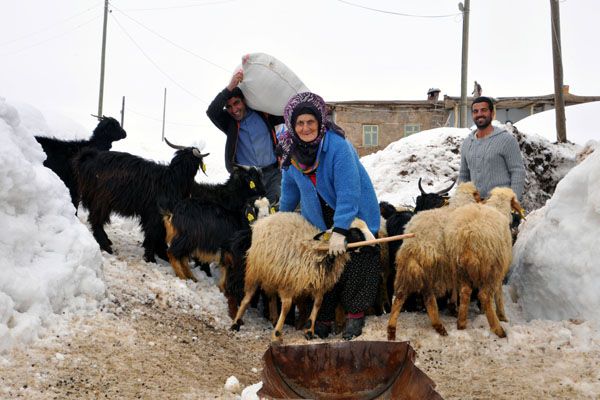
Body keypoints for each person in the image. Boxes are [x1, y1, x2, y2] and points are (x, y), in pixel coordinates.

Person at [277, 91, 381, 340]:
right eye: (300, 123)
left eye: (310, 122)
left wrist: (342, 228)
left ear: (320, 122)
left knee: (356, 257)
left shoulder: (337, 147)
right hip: (319, 216)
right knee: (324, 265)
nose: (305, 128)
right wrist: (280, 223)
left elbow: (349, 190)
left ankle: (354, 317)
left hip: (355, 213)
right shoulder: (291, 155)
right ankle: (322, 318)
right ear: (293, 125)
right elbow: (289, 194)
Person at [206, 70, 284, 203]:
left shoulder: (263, 114)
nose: (234, 109)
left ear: (244, 101)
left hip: (273, 175)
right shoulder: (229, 123)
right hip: (248, 179)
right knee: (252, 216)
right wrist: (230, 86)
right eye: (229, 106)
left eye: (236, 103)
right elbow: (212, 111)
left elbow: (287, 113)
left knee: (274, 212)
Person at [459, 96, 525, 202]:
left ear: (492, 113)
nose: (479, 114)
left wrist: (512, 202)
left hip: (501, 205)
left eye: (484, 110)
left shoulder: (506, 140)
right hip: (475, 206)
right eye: (475, 111)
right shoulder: (467, 143)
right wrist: (461, 199)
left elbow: (517, 172)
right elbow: (463, 175)